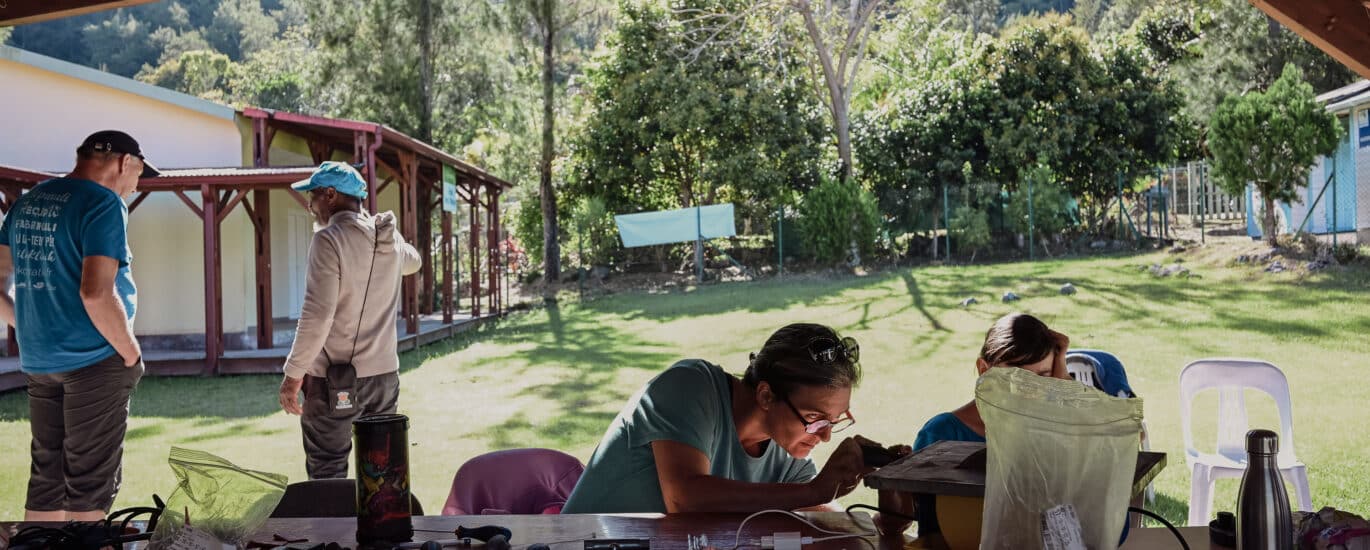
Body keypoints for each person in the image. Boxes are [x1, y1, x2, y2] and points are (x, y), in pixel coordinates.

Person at [562, 323, 908, 515]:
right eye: (815, 419)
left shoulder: (786, 455)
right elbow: (684, 497)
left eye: (834, 422)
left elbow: (817, 513)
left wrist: (889, 501)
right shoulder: (690, 386)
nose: (824, 437)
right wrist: (813, 490)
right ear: (766, 396)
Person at [0, 130, 157, 521]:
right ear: (124, 162)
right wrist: (130, 352)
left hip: (40, 361)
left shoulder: (29, 201)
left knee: (46, 480)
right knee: (89, 489)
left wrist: (31, 326)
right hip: (94, 361)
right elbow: (96, 293)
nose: (137, 184)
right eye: (139, 172)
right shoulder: (103, 203)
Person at [276, 161, 421, 479]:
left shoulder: (328, 240)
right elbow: (415, 260)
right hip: (384, 378)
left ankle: (331, 532)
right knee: (382, 474)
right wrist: (378, 233)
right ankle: (381, 529)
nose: (310, 206)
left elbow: (317, 315)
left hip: (333, 381)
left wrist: (293, 375)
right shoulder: (388, 240)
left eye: (312, 197)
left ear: (330, 194)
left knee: (327, 470)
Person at [885, 312, 1070, 536]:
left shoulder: (1048, 431)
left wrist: (1061, 364)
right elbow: (913, 518)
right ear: (984, 370)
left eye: (1043, 377)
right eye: (1017, 377)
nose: (1030, 391)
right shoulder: (941, 433)